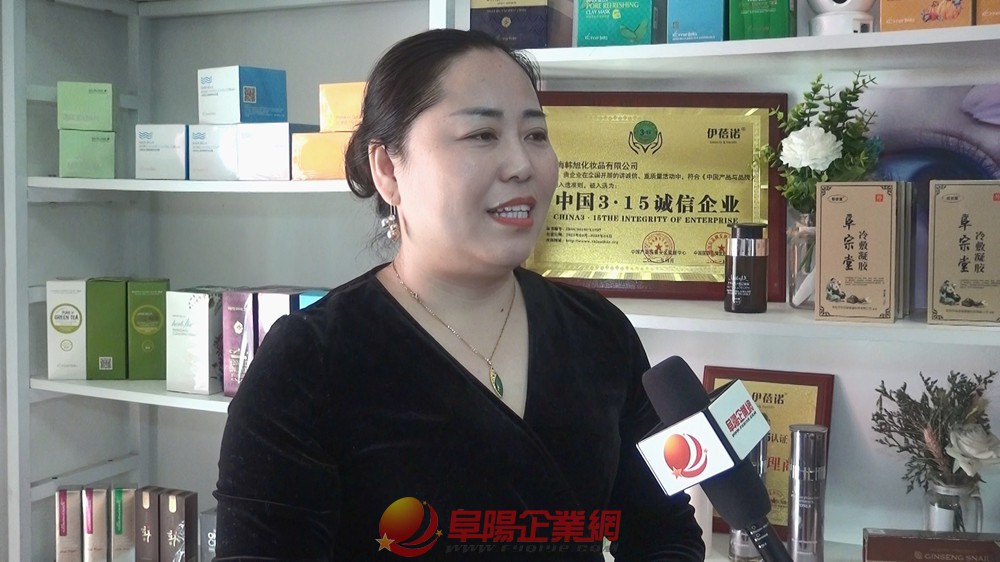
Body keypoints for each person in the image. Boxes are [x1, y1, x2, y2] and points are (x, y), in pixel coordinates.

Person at [214, 28, 705, 560]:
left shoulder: (599, 332)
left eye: (536, 135)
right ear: (388, 169)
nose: (523, 164)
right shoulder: (309, 361)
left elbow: (664, 532)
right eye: (482, 135)